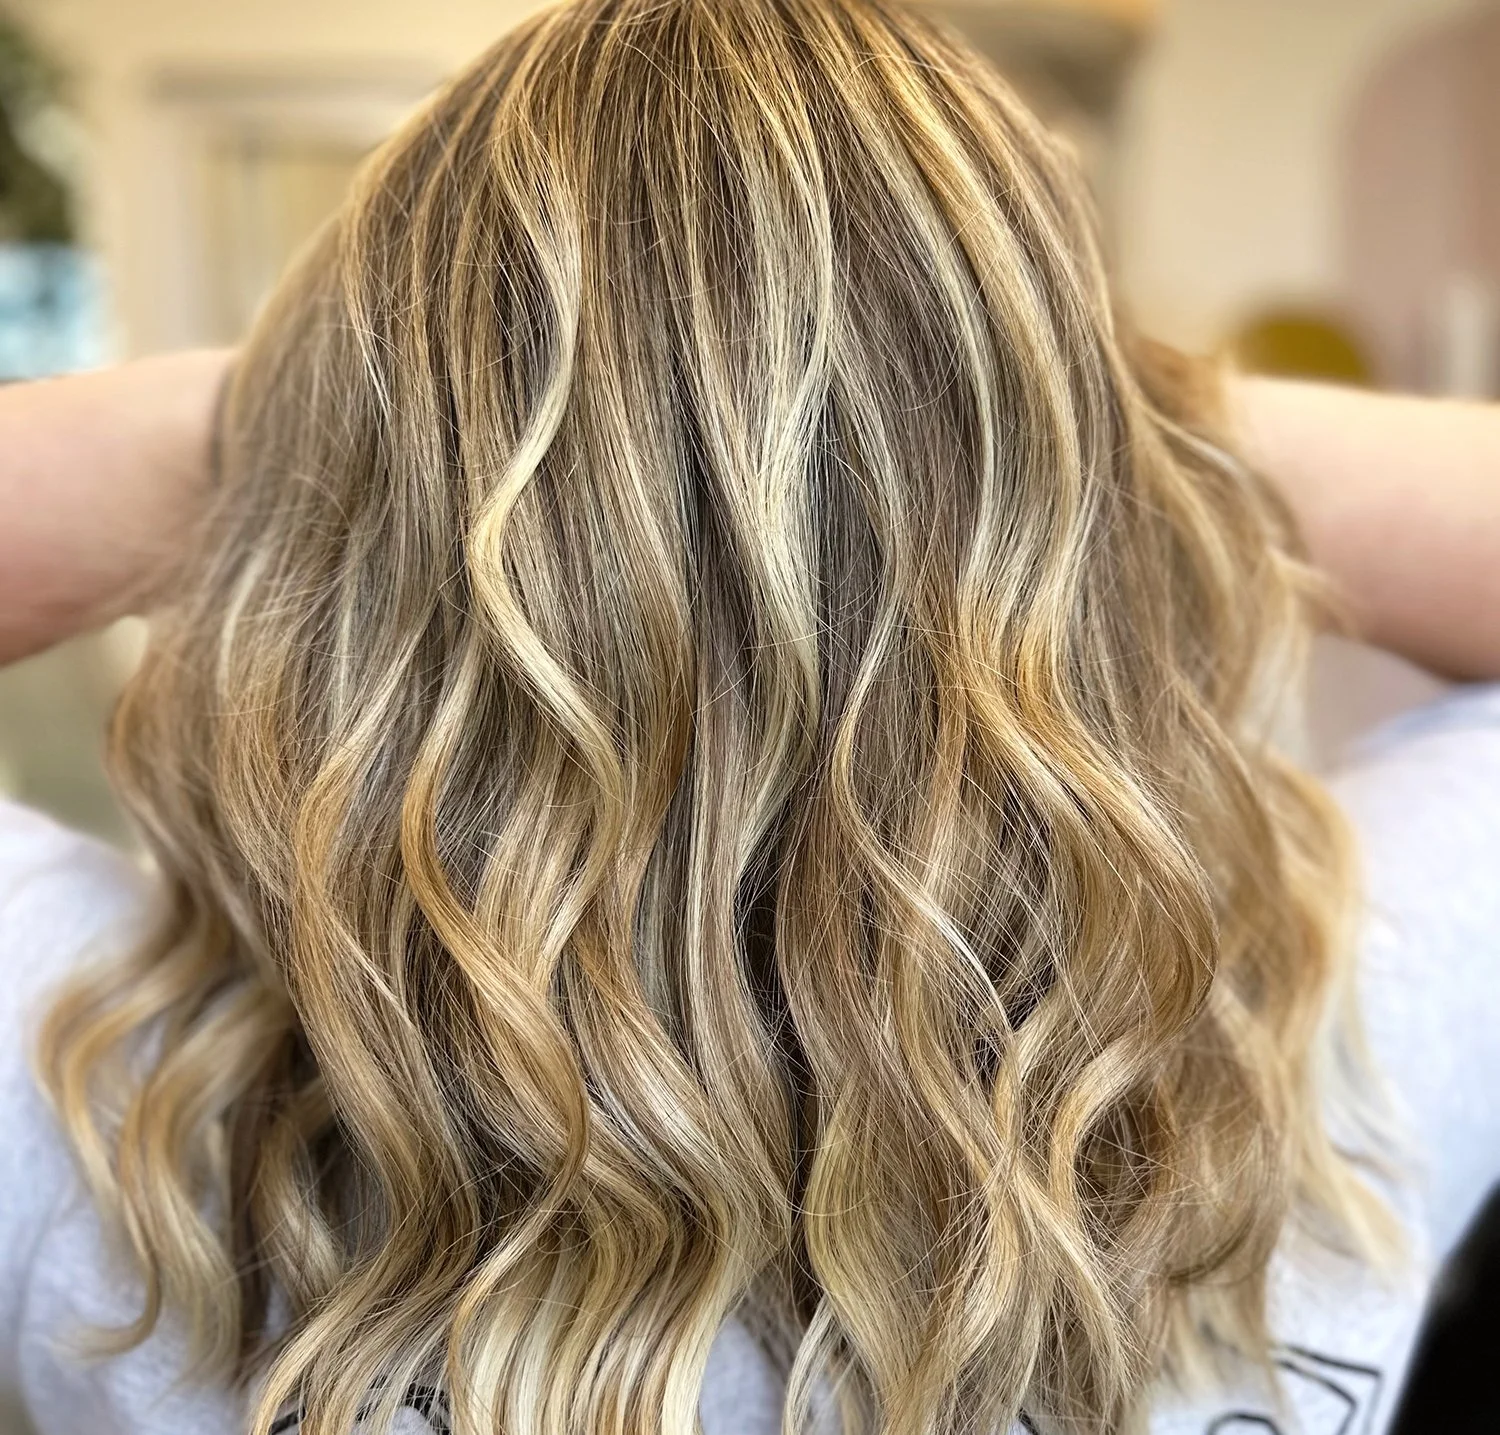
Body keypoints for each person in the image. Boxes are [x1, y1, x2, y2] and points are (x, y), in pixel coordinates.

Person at [0, 2, 1497, 1433]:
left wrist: (298, 427)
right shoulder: (1329, 1046)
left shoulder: (116, 1108)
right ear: (1067, 523)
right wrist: (1110, 417)